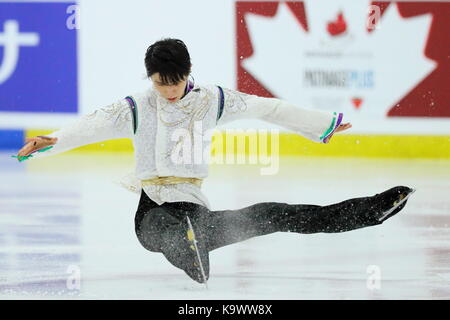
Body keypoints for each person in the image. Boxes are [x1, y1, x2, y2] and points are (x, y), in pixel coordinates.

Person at [15, 38, 414, 284]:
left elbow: (268, 109)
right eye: (159, 82)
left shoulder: (214, 100)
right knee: (166, 230)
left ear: (189, 73)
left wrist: (322, 123)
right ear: (149, 77)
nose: (167, 90)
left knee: (273, 213)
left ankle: (368, 211)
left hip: (195, 208)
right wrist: (52, 140)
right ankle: (190, 252)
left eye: (173, 82)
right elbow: (94, 125)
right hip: (151, 210)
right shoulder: (137, 107)